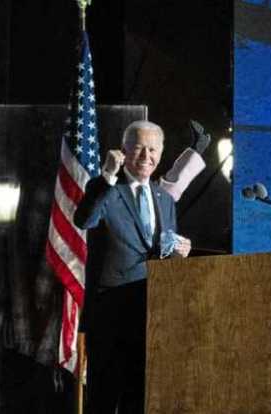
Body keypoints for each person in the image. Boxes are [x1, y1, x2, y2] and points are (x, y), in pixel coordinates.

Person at [74, 120, 192, 414]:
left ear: (161, 154)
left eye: (153, 150)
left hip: (151, 314)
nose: (146, 156)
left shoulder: (164, 198)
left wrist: (180, 252)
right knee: (103, 398)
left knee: (139, 398)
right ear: (124, 150)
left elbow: (163, 252)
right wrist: (107, 176)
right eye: (139, 148)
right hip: (110, 313)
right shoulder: (105, 187)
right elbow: (83, 220)